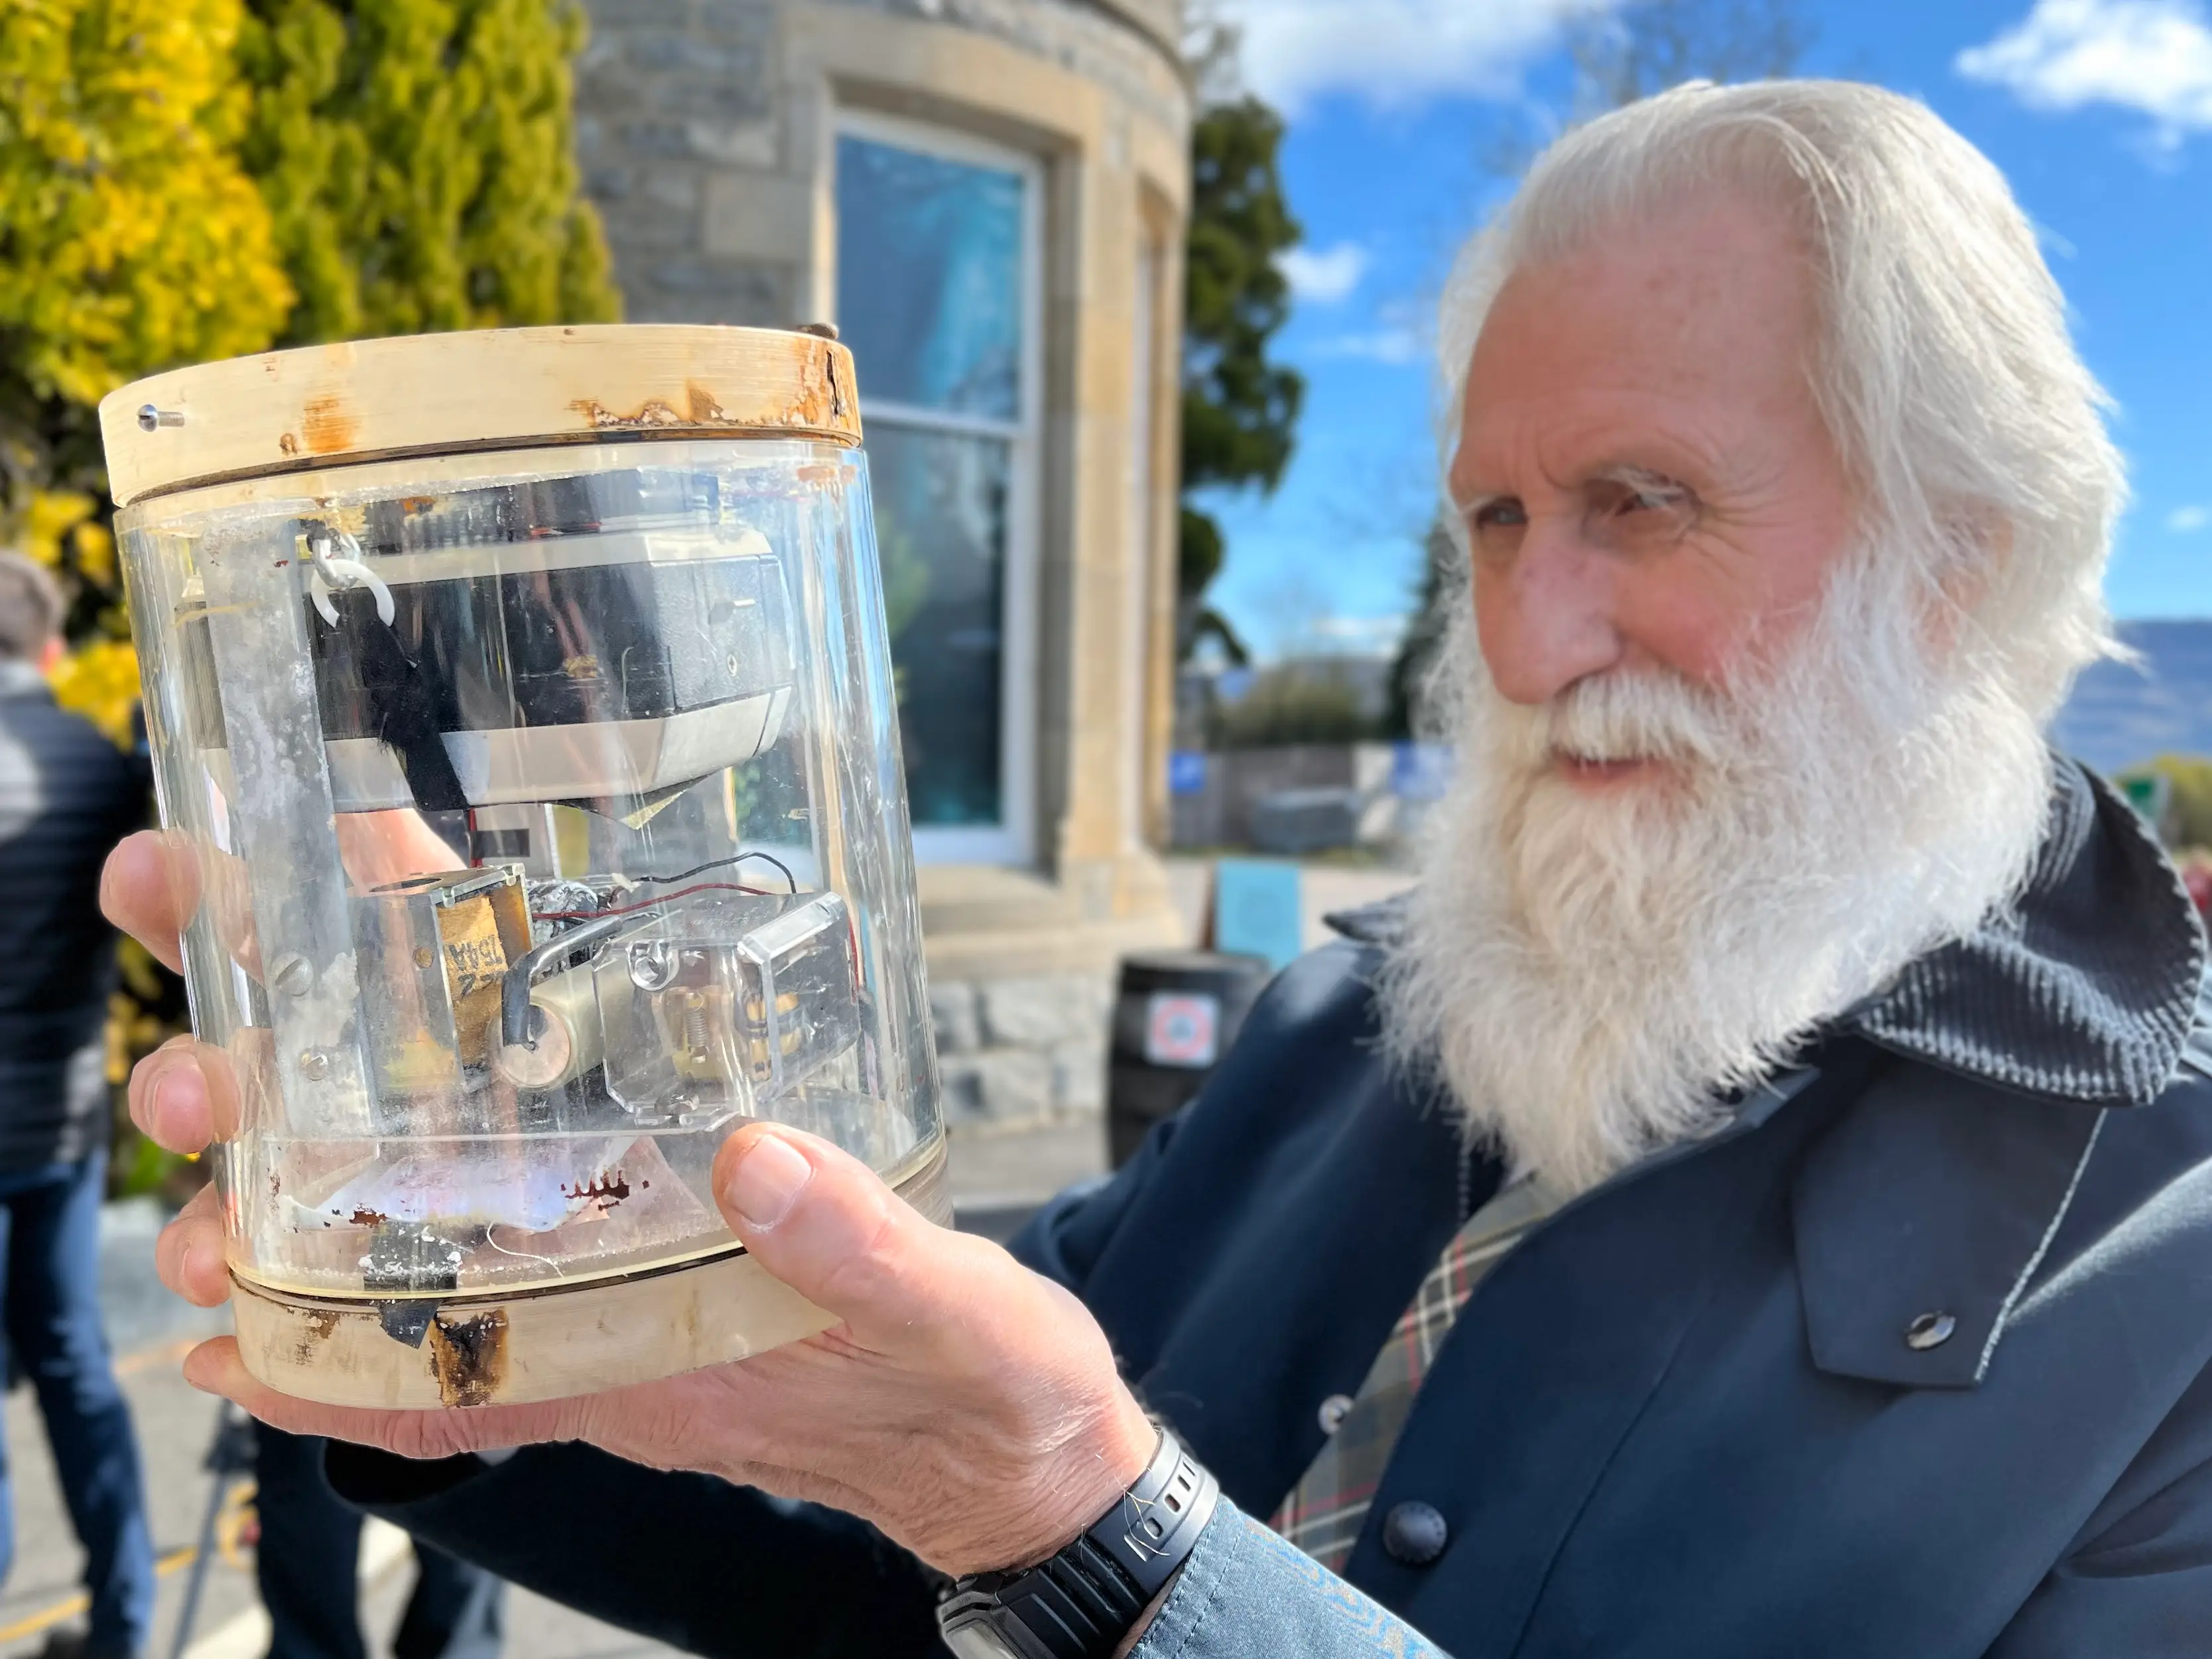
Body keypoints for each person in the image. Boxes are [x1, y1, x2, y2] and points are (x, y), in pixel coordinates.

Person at [103, 80, 2212, 1657]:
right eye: (1490, 519)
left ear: (1962, 551)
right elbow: (875, 1514)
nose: (1521, 637)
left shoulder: (2170, 1284)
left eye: (1637, 503)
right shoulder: (1346, 1026)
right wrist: (482, 1310)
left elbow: (1023, 1501)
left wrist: (1095, 1544)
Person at [0, 553, 156, 1659]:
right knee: (76, 1364)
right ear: (51, 650)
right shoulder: (99, 768)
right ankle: (123, 1619)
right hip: (60, 1124)